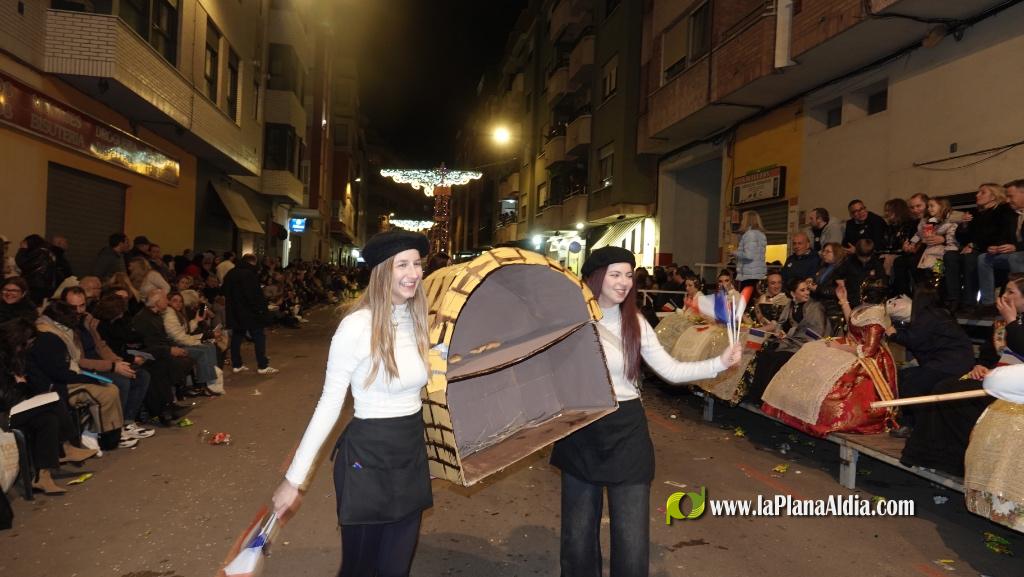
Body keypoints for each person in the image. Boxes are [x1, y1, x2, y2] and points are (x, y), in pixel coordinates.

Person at [549, 246, 742, 577]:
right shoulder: (573, 321)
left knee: (632, 538)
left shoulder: (635, 322)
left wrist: (719, 363)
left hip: (627, 431)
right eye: (615, 274)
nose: (624, 282)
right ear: (595, 278)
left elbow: (671, 370)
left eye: (628, 275)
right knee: (578, 537)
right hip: (582, 429)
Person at [272, 231, 432, 577]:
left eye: (417, 264)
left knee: (396, 567)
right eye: (402, 264)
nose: (413, 273)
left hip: (409, 454)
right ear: (381, 271)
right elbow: (329, 403)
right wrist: (294, 479)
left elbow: (417, 374)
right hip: (367, 460)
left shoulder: (417, 320)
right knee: (360, 568)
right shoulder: (355, 327)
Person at [762, 279, 897, 437]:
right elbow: (853, 324)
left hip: (866, 360)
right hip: (850, 346)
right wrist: (843, 300)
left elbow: (868, 351)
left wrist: (840, 348)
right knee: (811, 350)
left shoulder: (877, 316)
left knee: (833, 381)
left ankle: (812, 412)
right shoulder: (867, 309)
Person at [1, 318, 96, 494]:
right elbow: (5, 398)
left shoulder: (16, 356)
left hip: (18, 406)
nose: (29, 347)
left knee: (48, 419)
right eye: (27, 343)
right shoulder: (4, 360)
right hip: (5, 414)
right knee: (52, 402)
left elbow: (31, 383)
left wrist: (26, 385)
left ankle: (42, 477)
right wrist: (21, 385)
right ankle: (67, 446)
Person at [885, 284, 974, 437]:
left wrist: (894, 334)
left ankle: (915, 425)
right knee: (906, 377)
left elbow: (915, 340)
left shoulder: (927, 316)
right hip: (953, 362)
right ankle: (911, 423)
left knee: (910, 381)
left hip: (949, 364)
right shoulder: (938, 313)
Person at [222, 254, 278, 375]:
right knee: (259, 336)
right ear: (252, 262)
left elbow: (224, 291)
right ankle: (262, 365)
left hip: (234, 311)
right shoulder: (249, 274)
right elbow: (253, 295)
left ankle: (237, 364)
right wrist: (262, 309)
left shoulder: (231, 273)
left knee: (237, 337)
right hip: (250, 313)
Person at [15, 234, 57, 306]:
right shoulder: (46, 252)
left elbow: (22, 263)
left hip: (35, 286)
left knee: (30, 307)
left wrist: (22, 249)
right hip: (42, 286)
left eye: (25, 242)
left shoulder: (39, 253)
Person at [734, 210, 767, 293]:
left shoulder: (749, 234)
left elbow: (749, 256)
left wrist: (735, 252)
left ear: (747, 221)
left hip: (749, 275)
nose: (741, 222)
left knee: (746, 302)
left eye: (742, 219)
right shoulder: (762, 235)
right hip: (758, 274)